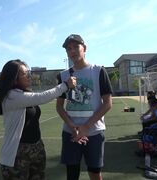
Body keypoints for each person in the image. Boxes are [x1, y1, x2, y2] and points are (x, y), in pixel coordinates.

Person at [0, 59, 76, 180]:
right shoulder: (11, 96)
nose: (29, 76)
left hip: (36, 148)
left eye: (29, 72)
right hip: (18, 153)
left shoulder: (24, 94)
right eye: (25, 73)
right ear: (14, 78)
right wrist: (65, 85)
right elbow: (41, 97)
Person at [56, 34, 113, 180]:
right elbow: (60, 107)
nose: (72, 51)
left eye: (76, 47)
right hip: (71, 133)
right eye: (69, 49)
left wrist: (86, 127)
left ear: (84, 48)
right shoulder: (62, 76)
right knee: (72, 173)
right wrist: (72, 127)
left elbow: (107, 103)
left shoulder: (99, 71)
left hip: (94, 132)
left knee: (94, 172)